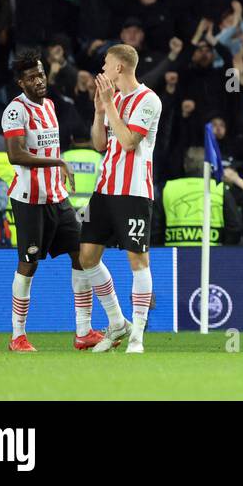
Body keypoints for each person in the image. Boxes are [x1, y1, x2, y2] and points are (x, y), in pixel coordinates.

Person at [1, 51, 103, 352]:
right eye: (32, 77)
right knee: (28, 264)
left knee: (81, 256)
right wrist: (58, 162)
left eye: (41, 73)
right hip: (29, 200)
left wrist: (56, 169)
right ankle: (17, 336)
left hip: (58, 198)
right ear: (21, 82)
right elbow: (15, 155)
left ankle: (83, 331)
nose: (39, 80)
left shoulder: (50, 106)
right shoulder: (14, 111)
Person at [80, 45, 164, 354]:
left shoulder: (149, 100)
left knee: (137, 260)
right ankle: (117, 321)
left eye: (105, 64)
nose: (102, 69)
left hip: (134, 191)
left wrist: (109, 106)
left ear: (119, 67)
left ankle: (138, 334)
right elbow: (100, 144)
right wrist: (100, 110)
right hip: (104, 189)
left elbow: (129, 142)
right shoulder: (110, 100)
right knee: (86, 256)